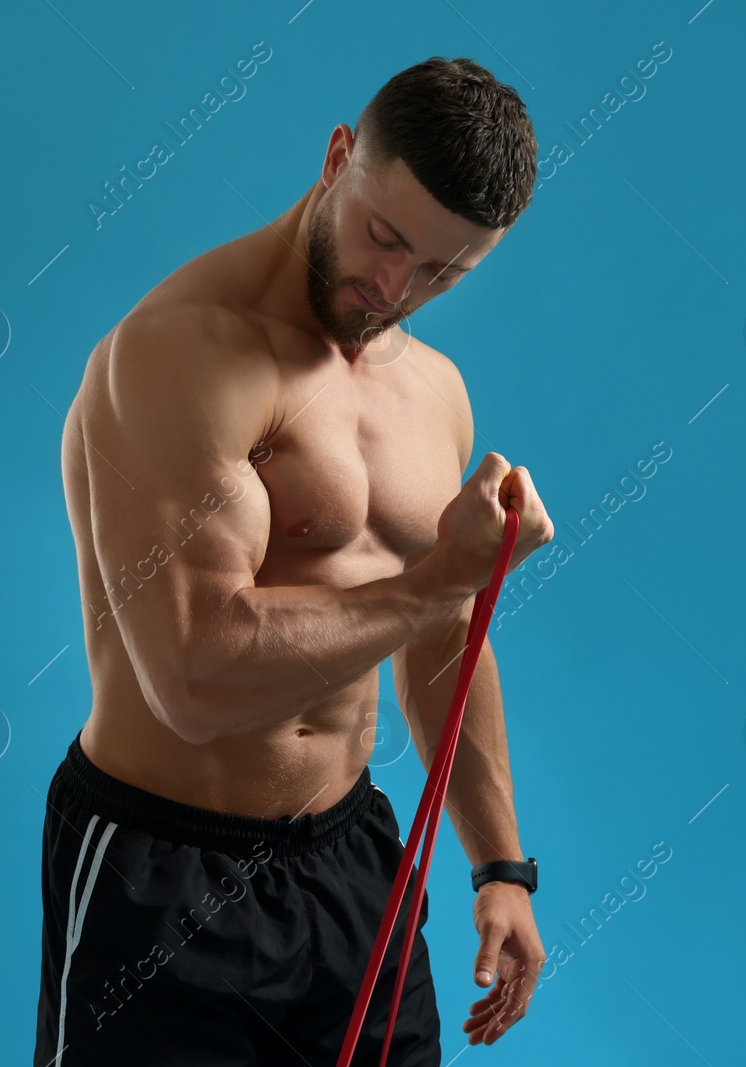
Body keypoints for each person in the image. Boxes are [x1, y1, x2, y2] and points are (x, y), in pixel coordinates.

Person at [34, 56, 554, 1066]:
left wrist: (500, 863)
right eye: (385, 237)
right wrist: (447, 572)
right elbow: (195, 675)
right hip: (163, 873)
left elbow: (440, 635)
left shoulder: (433, 390)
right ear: (337, 158)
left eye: (444, 271)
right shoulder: (179, 354)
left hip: (351, 858)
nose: (396, 288)